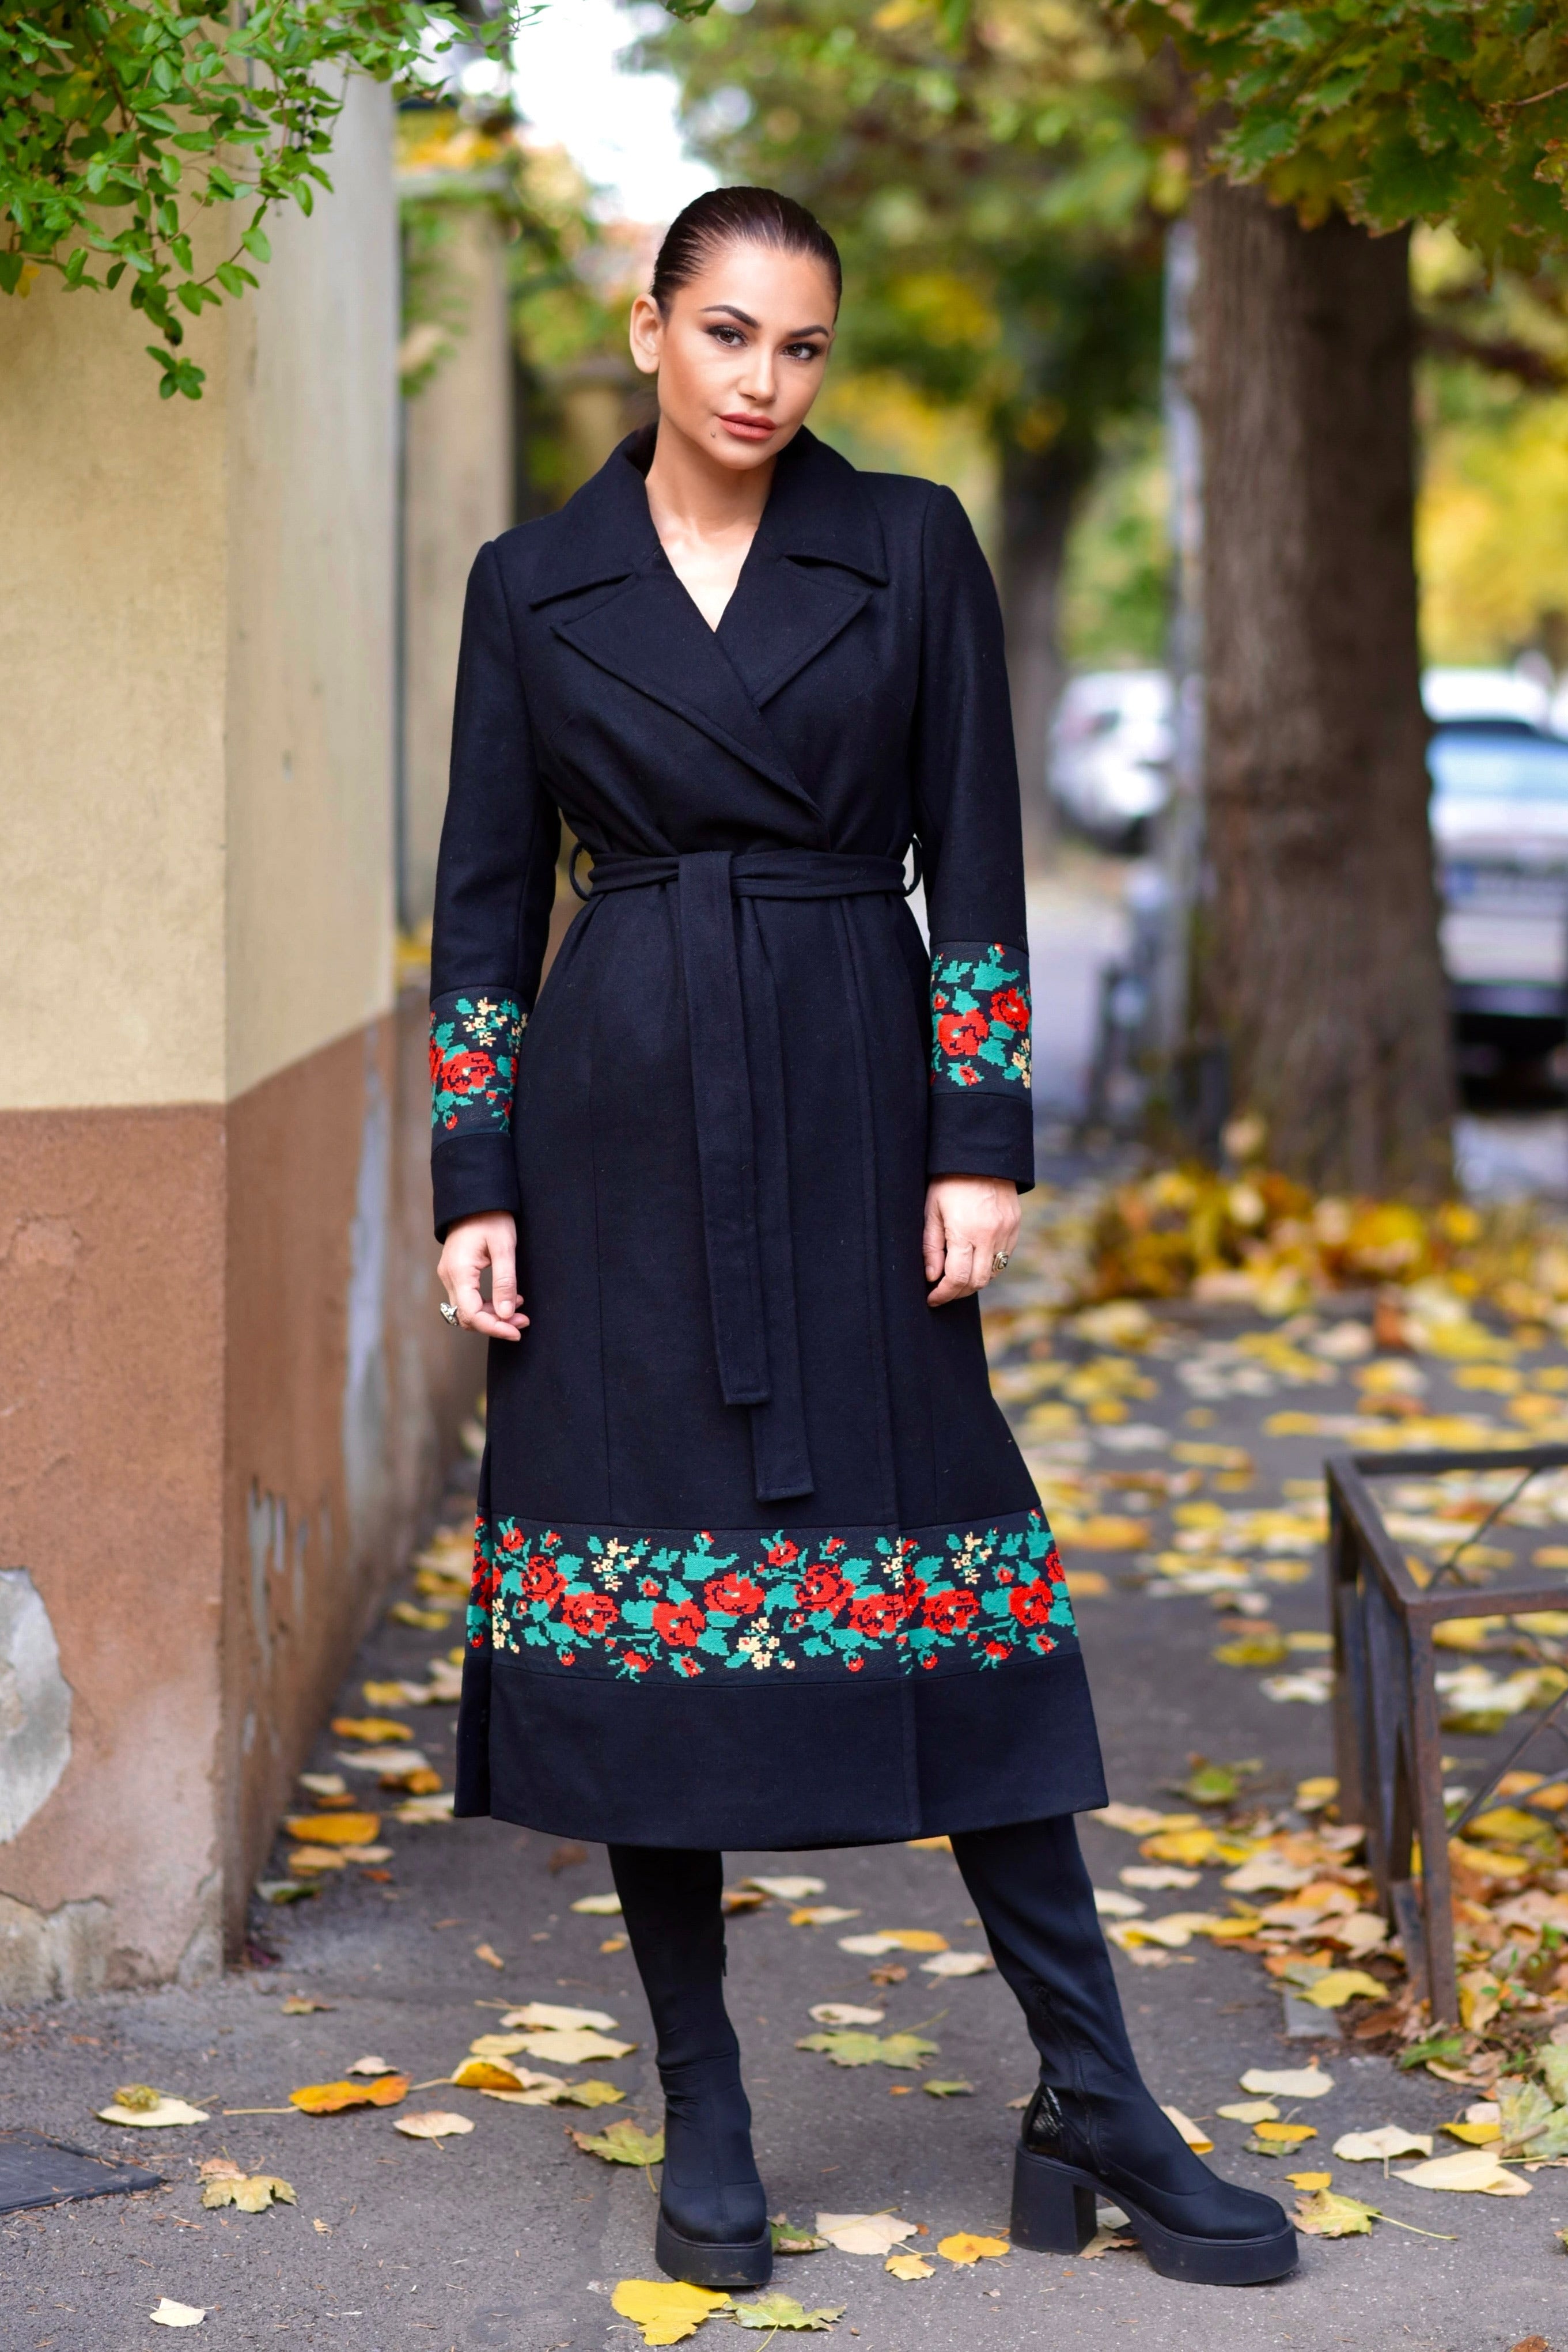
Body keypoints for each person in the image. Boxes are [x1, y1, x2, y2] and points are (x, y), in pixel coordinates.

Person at [429, 185, 1293, 2293]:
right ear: (650, 327)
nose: (763, 380)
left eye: (802, 346)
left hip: (852, 1089)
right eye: (728, 332)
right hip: (617, 1126)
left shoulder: (906, 543)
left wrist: (976, 1136)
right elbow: (481, 901)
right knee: (641, 1629)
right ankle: (703, 2099)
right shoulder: (530, 582)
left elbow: (977, 854)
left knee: (956, 1596)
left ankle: (1093, 2088)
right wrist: (477, 1175)